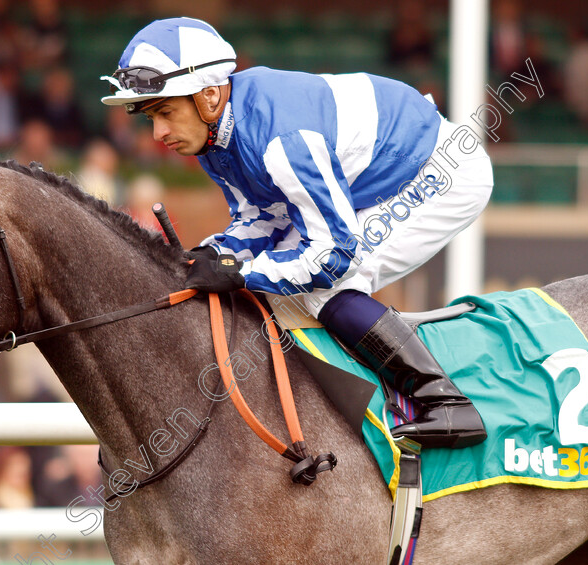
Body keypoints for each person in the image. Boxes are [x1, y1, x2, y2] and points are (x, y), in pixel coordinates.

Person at [100, 17, 494, 449]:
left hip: (443, 169)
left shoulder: (281, 140)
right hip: (377, 177)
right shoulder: (213, 134)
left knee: (326, 287)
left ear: (209, 95)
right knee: (275, 280)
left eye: (165, 113)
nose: (158, 133)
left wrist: (237, 271)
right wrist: (213, 253)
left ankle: (444, 400)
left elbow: (332, 257)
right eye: (151, 117)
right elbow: (262, 217)